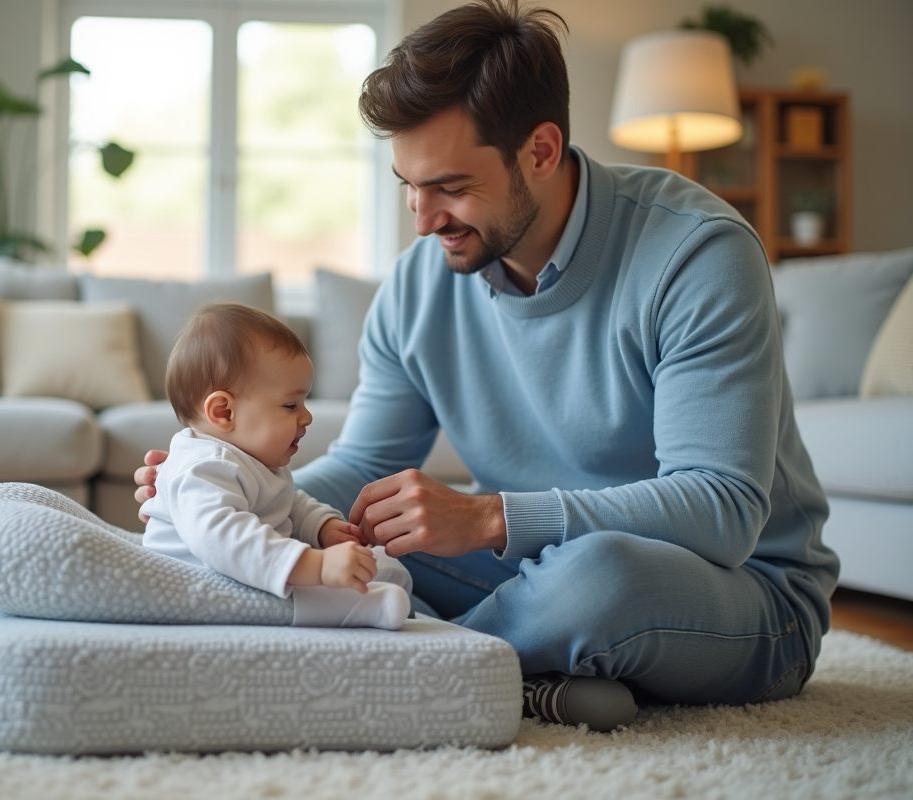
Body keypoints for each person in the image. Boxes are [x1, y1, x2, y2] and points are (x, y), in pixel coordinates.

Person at [136, 0, 838, 730]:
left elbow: (721, 511)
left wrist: (490, 517)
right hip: (535, 570)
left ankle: (418, 662)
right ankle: (527, 672)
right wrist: (232, 487)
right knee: (366, 540)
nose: (422, 219)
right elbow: (366, 467)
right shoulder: (417, 285)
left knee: (596, 576)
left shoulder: (697, 254)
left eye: (451, 187)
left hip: (742, 591)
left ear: (540, 150)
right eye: (408, 185)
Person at [141, 302, 412, 630]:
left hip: (250, 570)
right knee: (330, 592)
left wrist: (321, 527)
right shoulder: (205, 468)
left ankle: (369, 592)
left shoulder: (252, 458)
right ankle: (367, 607)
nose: (307, 417)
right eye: (291, 405)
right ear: (224, 412)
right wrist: (316, 565)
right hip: (205, 582)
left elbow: (286, 502)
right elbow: (224, 539)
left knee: (382, 565)